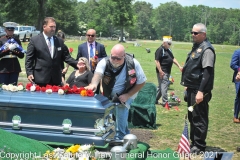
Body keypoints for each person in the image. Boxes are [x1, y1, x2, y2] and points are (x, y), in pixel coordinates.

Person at [85, 44, 147, 140]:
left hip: (128, 92)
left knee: (121, 110)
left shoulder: (133, 63)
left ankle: (120, 137)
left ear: (124, 56)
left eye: (118, 59)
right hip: (109, 93)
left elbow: (142, 82)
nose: (115, 61)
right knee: (110, 113)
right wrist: (94, 84)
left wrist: (128, 95)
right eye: (113, 58)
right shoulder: (104, 62)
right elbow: (98, 74)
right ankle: (124, 134)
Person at [181, 23, 215, 154]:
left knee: (199, 118)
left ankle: (200, 145)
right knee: (192, 117)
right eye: (192, 32)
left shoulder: (207, 50)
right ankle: (194, 142)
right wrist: (187, 85)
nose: (192, 35)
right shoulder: (197, 47)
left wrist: (201, 91)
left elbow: (207, 72)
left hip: (199, 90)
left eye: (196, 33)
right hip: (192, 88)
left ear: (203, 34)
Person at [25, 17, 77, 87]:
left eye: (54, 27)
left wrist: (79, 64)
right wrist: (29, 72)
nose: (53, 29)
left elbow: (67, 58)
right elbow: (29, 59)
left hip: (56, 79)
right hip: (40, 78)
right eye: (51, 27)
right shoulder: (35, 40)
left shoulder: (59, 41)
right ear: (44, 27)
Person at [155, 36, 182, 106]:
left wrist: (179, 66)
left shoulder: (168, 50)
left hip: (167, 71)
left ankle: (154, 99)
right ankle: (165, 102)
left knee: (161, 87)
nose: (170, 45)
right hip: (162, 72)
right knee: (164, 86)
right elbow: (157, 61)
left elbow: (173, 59)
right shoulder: (160, 50)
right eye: (169, 43)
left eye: (170, 43)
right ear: (164, 43)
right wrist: (160, 71)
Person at [230, 49, 240, 123]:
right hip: (239, 78)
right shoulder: (237, 52)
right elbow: (233, 64)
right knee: (239, 96)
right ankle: (236, 116)